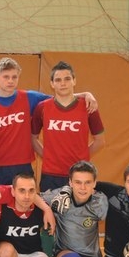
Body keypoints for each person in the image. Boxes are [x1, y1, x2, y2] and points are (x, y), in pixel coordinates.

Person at [0, 57, 97, 185]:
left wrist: (86, 94)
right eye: (6, 77)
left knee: (26, 198)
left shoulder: (30, 97)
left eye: (14, 77)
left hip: (23, 165)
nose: (10, 81)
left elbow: (61, 97)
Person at [42, 161, 113, 257]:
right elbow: (34, 197)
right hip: (66, 254)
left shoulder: (100, 202)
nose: (83, 187)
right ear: (70, 183)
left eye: (88, 182)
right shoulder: (59, 197)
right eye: (78, 182)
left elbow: (125, 198)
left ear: (95, 183)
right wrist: (46, 209)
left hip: (90, 256)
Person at [31, 61, 106, 192]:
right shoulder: (42, 107)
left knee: (79, 206)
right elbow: (32, 138)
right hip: (50, 175)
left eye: (67, 79)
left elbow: (100, 141)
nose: (63, 83)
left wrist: (82, 159)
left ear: (74, 81)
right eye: (58, 80)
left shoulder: (88, 106)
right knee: (49, 206)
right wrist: (47, 156)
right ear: (52, 84)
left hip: (79, 174)